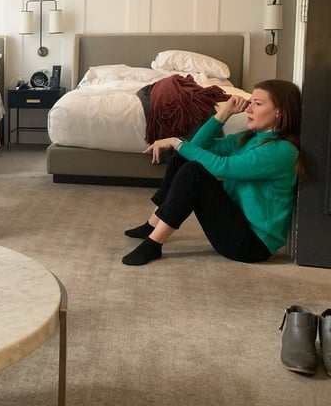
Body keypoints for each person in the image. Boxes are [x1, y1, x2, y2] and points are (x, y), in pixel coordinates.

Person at [122, 79, 302, 266]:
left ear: (279, 111)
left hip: (251, 245)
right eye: (250, 102)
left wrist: (177, 142)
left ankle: (154, 243)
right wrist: (223, 114)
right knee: (184, 157)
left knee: (194, 170)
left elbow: (223, 167)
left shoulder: (281, 150)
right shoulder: (249, 138)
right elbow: (198, 146)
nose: (249, 109)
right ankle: (153, 223)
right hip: (234, 225)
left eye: (257, 104)